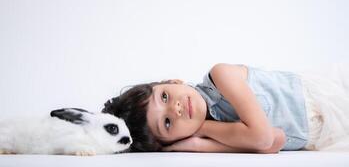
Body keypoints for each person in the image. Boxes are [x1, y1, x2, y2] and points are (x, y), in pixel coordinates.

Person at [102, 63, 349, 153]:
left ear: (173, 81)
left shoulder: (220, 76)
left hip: (331, 95)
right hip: (326, 135)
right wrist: (201, 144)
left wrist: (201, 132)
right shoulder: (221, 133)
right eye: (167, 123)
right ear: (170, 142)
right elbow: (275, 140)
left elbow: (262, 138)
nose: (175, 109)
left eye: (165, 96)